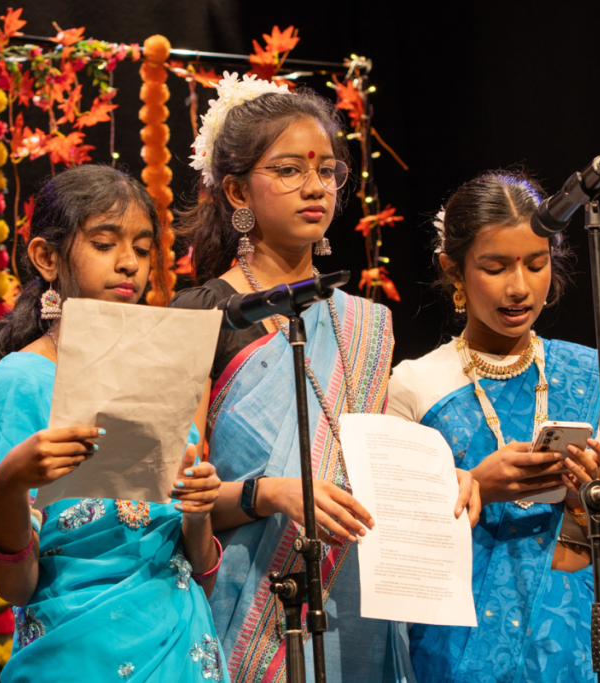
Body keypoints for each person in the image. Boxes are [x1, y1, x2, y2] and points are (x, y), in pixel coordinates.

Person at [170, 73, 479, 683]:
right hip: (243, 610)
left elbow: (369, 464)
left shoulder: (365, 322)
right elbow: (169, 496)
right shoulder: (200, 315)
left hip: (354, 606)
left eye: (327, 170)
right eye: (288, 170)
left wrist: (438, 484)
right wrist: (270, 493)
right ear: (236, 190)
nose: (315, 187)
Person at [386, 170, 600, 683]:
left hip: (581, 650)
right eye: (495, 267)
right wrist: (479, 486)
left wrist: (584, 498)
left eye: (536, 263)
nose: (520, 287)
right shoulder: (415, 385)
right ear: (453, 269)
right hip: (461, 655)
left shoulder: (596, 375)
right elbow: (396, 553)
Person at [0, 164, 228, 682]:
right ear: (47, 257)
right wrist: (11, 481)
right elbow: (14, 586)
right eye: (105, 244)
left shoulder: (165, 376)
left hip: (182, 651)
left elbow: (199, 574)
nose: (129, 263)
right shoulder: (21, 383)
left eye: (142, 248)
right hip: (77, 656)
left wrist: (199, 511)